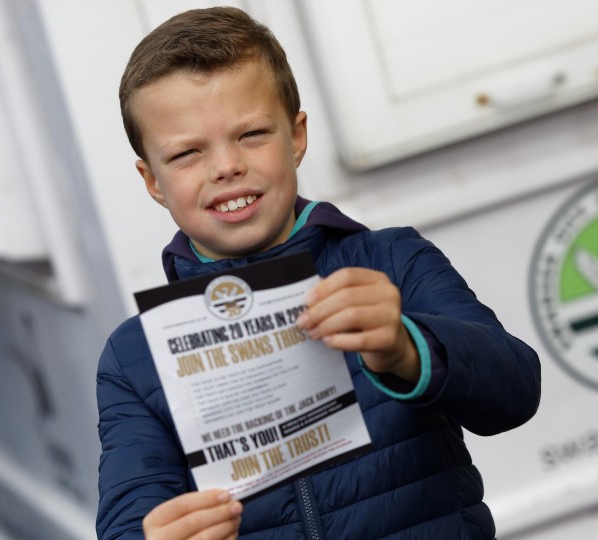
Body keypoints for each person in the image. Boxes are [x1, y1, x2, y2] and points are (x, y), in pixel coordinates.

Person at [96, 7, 541, 539]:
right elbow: (127, 518)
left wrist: (406, 347)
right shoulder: (134, 356)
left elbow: (515, 391)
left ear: (297, 137)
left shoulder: (392, 262)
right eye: (187, 153)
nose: (226, 166)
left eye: (252, 133)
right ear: (152, 181)